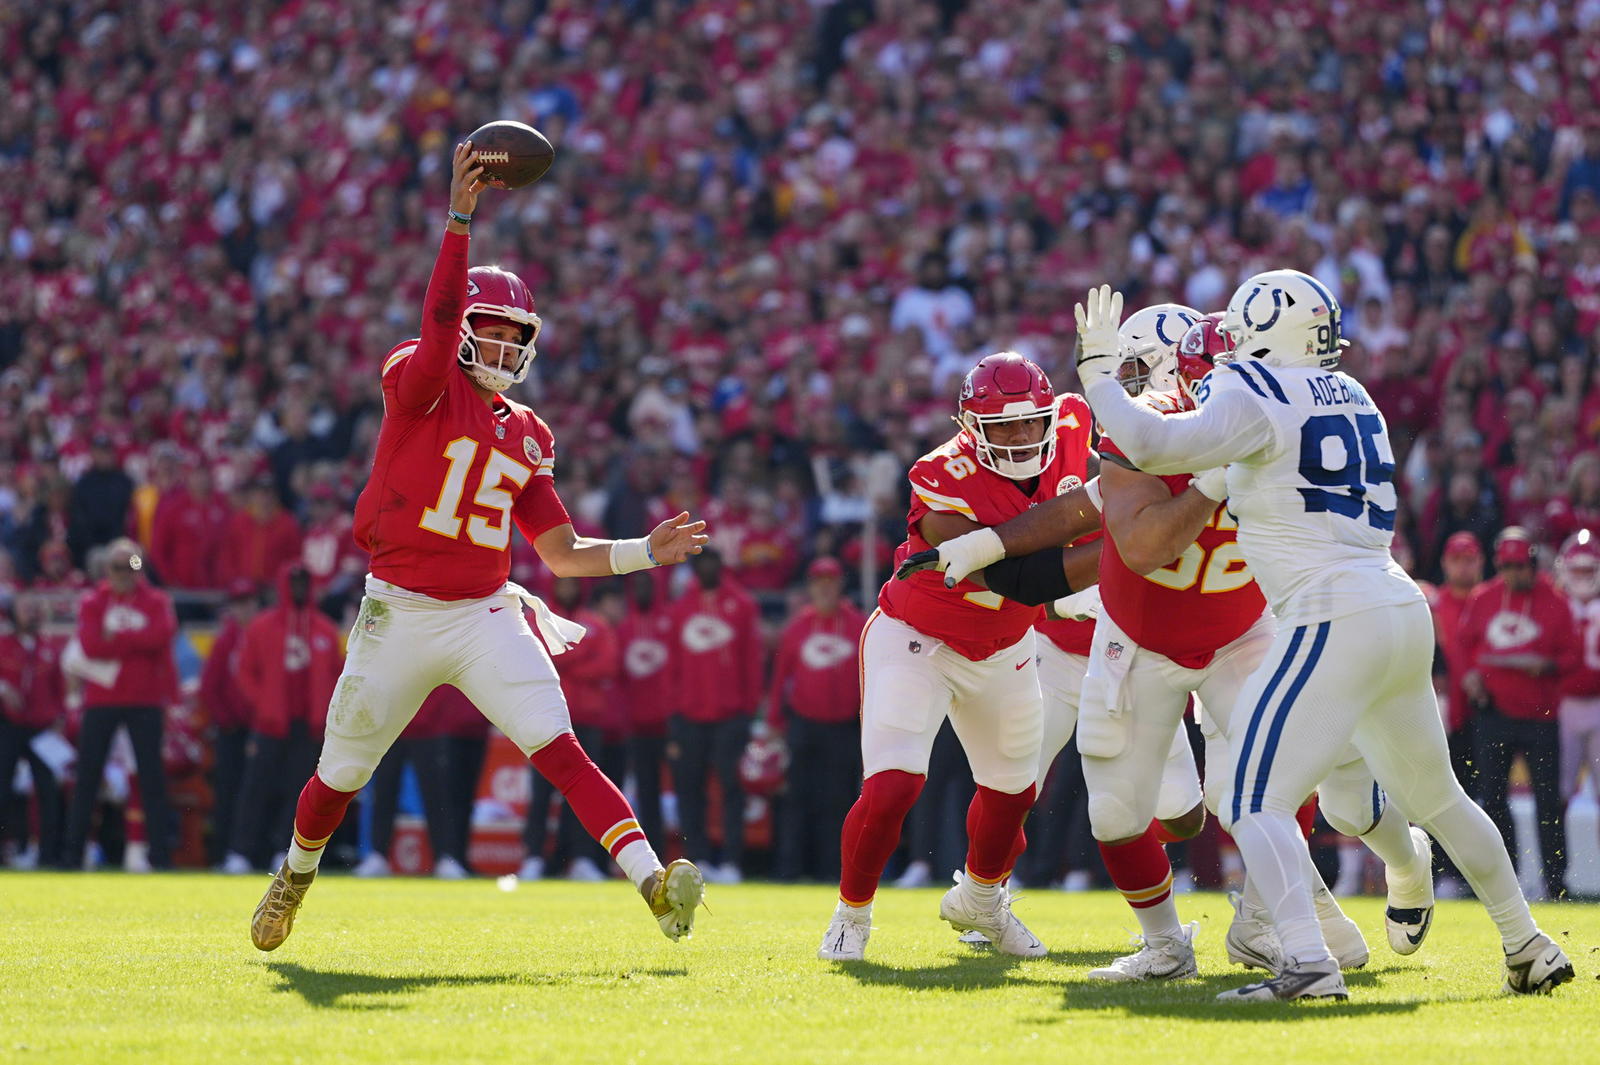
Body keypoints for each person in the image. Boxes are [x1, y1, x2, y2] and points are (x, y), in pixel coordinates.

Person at [251, 143, 708, 951]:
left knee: (561, 748)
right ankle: (294, 873)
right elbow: (432, 334)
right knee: (340, 773)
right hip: (399, 609)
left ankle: (652, 883)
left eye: (513, 338)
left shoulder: (528, 433)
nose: (500, 352)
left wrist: (645, 548)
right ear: (463, 332)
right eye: (487, 334)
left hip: (486, 612)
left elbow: (563, 553)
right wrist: (458, 222)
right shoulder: (420, 383)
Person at [1066, 273, 1571, 1000]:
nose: (1230, 345)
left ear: (1267, 333)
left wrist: (1096, 376)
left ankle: (1305, 961)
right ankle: (1527, 940)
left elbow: (1148, 439)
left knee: (1247, 796)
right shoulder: (1357, 395)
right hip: (1396, 600)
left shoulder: (1257, 392)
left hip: (1328, 609)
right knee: (1442, 797)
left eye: (1241, 331)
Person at [817, 352, 1101, 962]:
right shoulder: (940, 473)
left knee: (1014, 793)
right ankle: (852, 914)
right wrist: (1085, 578)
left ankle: (981, 900)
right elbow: (1017, 574)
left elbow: (1114, 479)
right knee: (894, 787)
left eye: (1031, 422)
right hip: (919, 640)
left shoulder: (1075, 427)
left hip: (1007, 648)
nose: (1022, 436)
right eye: (1004, 426)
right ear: (971, 426)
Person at [1458, 527, 1576, 901]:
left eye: (1519, 565)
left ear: (1532, 562)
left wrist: (1548, 665)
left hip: (1541, 714)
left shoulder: (1555, 600)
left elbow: (1572, 655)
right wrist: (1471, 678)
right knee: (1492, 799)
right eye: (1507, 566)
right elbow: (1463, 648)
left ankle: (1556, 882)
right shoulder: (1484, 598)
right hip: (1494, 713)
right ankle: (1502, 882)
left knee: (1547, 801)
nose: (1513, 573)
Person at [59, 538, 178, 871]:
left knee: (152, 779)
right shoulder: (93, 601)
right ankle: (72, 856)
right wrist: (136, 645)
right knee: (87, 777)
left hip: (144, 699)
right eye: (118, 567)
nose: (125, 573)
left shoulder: (156, 600)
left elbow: (161, 636)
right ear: (106, 569)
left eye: (132, 566)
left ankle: (159, 858)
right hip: (102, 699)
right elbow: (90, 644)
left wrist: (117, 641)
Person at [223, 562, 341, 872]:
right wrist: (263, 706)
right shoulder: (262, 627)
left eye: (305, 584)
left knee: (297, 792)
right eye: (295, 584)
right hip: (271, 723)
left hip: (308, 725)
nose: (300, 590)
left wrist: (323, 714)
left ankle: (284, 849)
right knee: (255, 789)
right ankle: (240, 850)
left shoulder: (325, 629)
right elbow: (245, 672)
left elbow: (337, 675)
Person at [766, 556, 866, 881]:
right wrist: (774, 721)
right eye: (818, 583)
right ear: (810, 588)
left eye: (830, 582)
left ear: (839, 586)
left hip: (843, 727)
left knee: (838, 802)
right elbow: (781, 676)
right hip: (804, 724)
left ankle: (830, 871)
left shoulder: (857, 625)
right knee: (796, 799)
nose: (824, 589)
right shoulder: (797, 628)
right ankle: (790, 869)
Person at [668, 547, 761, 884]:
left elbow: (752, 658)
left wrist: (748, 710)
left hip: (730, 714)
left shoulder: (742, 605)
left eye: (712, 563)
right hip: (689, 715)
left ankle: (733, 861)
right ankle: (698, 860)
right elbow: (673, 665)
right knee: (690, 790)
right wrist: (674, 713)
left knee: (732, 788)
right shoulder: (680, 609)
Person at [522, 577, 624, 881]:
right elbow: (529, 661)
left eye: (572, 584)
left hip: (586, 717)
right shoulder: (534, 620)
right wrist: (579, 656)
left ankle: (581, 858)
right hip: (546, 715)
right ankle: (533, 857)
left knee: (583, 792)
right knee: (540, 793)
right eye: (562, 584)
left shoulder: (596, 623)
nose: (567, 590)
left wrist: (562, 663)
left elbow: (607, 665)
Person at [1424, 530, 1486, 894]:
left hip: (1483, 714)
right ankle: (1443, 873)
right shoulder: (1433, 602)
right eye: (1457, 559)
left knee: (1482, 796)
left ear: (1479, 561)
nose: (1463, 567)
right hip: (1443, 713)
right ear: (1446, 562)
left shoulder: (1491, 598)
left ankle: (1475, 875)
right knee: (1441, 796)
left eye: (1470, 559)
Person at [0, 592, 67, 868]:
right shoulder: (3, 644)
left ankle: (49, 854)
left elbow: (59, 688)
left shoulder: (48, 647)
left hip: (42, 727)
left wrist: (61, 718)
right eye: (25, 608)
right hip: (9, 724)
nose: (31, 613)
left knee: (48, 791)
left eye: (34, 608)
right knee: (2, 787)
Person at [198, 579, 259, 867]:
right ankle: (223, 852)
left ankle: (250, 851)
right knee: (228, 791)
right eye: (239, 603)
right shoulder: (226, 640)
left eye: (248, 603)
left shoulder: (261, 636)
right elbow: (210, 687)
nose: (244, 609)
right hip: (233, 729)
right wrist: (227, 720)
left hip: (260, 727)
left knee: (256, 791)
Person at [612, 571, 675, 848]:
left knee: (685, 791)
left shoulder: (671, 623)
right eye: (636, 585)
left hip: (670, 723)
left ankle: (695, 854)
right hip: (637, 725)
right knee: (646, 793)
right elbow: (619, 677)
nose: (641, 590)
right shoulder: (624, 628)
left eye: (646, 584)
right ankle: (656, 855)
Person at [1556, 530, 1600, 887]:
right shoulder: (1556, 603)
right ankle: (1556, 875)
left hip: (1594, 703)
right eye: (1578, 570)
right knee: (1557, 793)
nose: (1583, 577)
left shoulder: (1559, 602)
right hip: (1566, 704)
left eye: (1590, 570)